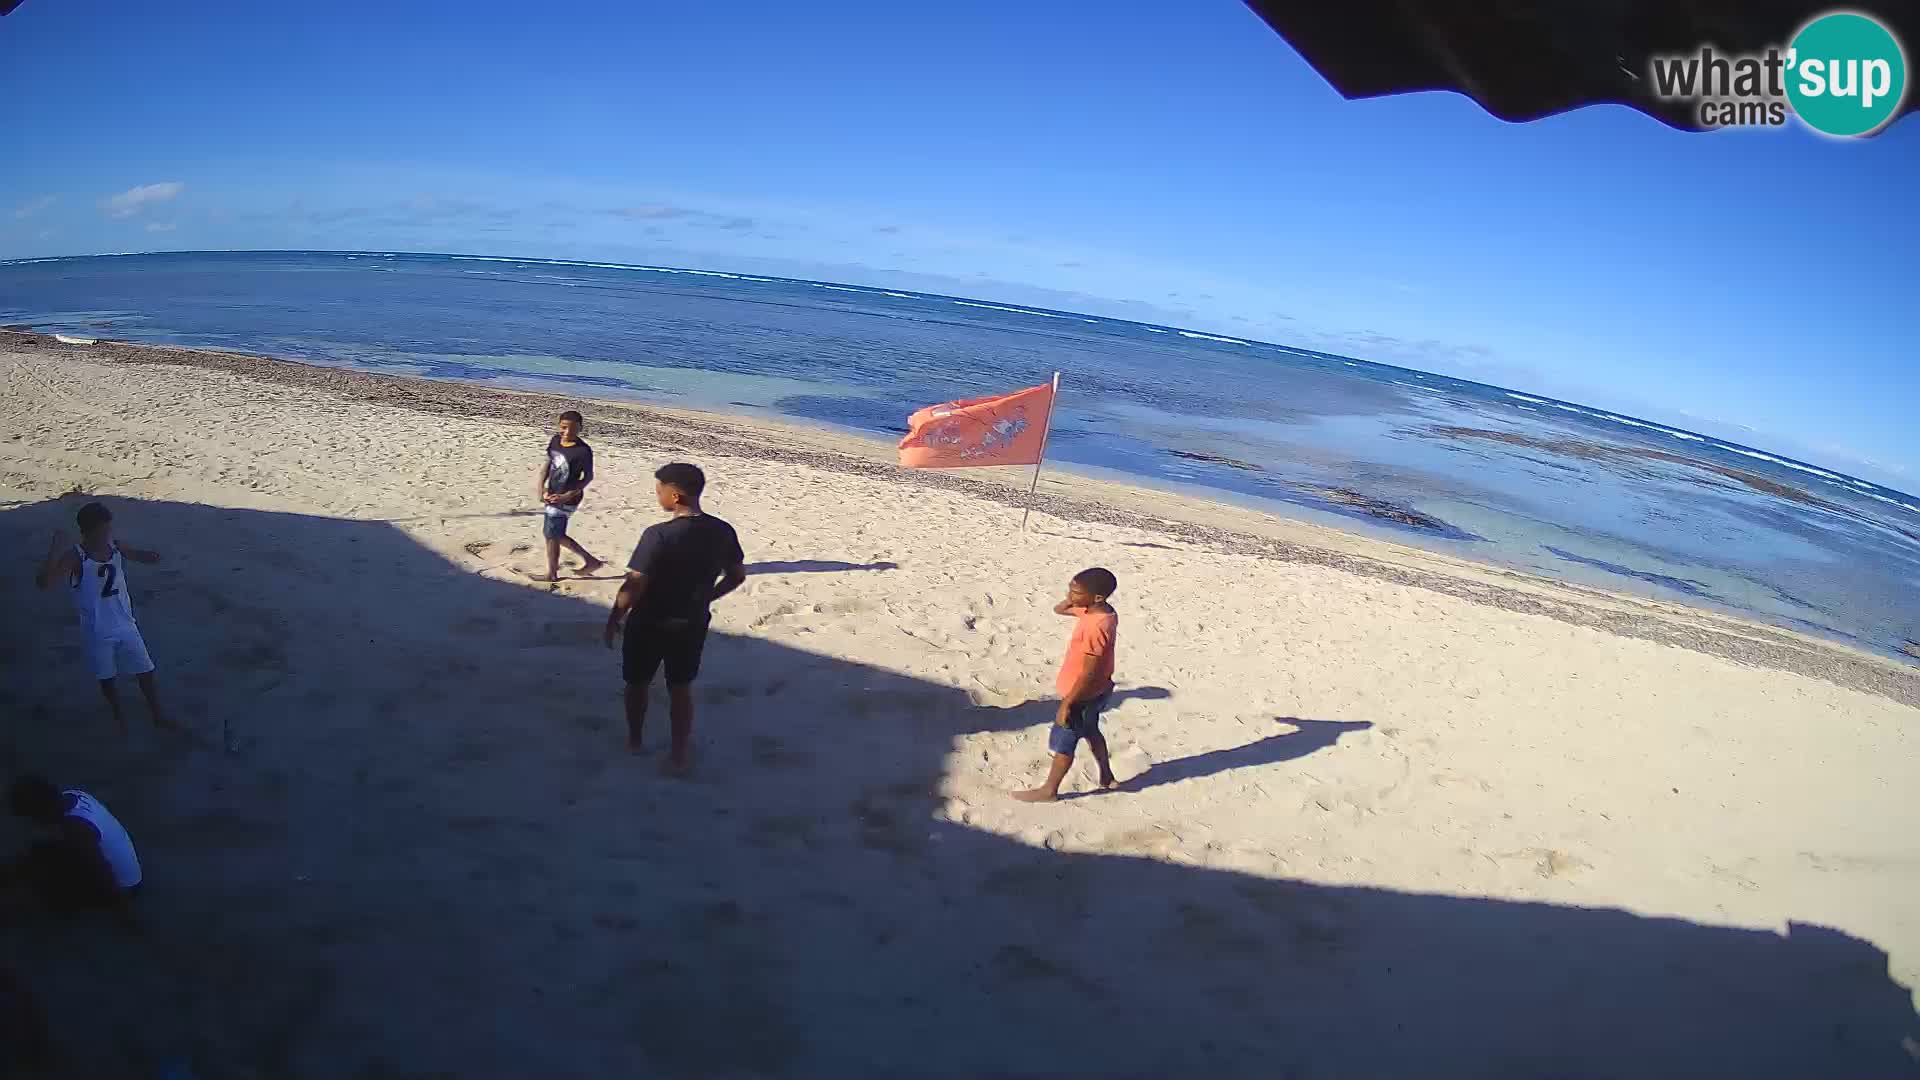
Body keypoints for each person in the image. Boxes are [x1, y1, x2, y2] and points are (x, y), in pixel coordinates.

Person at [603, 463, 746, 773]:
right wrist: (708, 597)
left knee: (637, 683)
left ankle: (635, 740)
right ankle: (679, 753)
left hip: (650, 621)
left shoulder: (658, 535)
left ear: (676, 495)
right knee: (680, 687)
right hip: (692, 621)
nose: (658, 497)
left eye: (659, 491)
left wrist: (615, 615)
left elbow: (635, 583)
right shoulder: (722, 530)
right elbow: (736, 576)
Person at [33, 501, 172, 737]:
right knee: (107, 677)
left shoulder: (114, 547)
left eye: (109, 528)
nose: (108, 533)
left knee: (146, 670)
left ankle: (157, 714)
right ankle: (118, 714)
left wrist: (150, 556)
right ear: (88, 531)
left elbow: (136, 554)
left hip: (125, 623)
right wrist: (55, 548)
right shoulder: (76, 557)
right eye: (103, 530)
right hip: (97, 629)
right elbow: (44, 583)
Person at [1014, 568, 1121, 802]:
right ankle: (1106, 775)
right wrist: (1073, 598)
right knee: (1092, 731)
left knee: (1065, 743)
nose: (1070, 595)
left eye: (1076, 592)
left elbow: (1089, 672)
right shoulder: (1101, 612)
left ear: (1097, 597)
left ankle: (1049, 790)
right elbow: (1059, 609)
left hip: (1081, 694)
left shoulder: (1095, 626)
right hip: (1099, 690)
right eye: (1070, 589)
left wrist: (1067, 703)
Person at [1, 775, 141, 922]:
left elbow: (102, 872)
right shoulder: (73, 795)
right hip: (101, 861)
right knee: (38, 853)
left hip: (122, 888)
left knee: (38, 889)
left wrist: (124, 911)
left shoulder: (77, 830)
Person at [535, 410, 605, 582]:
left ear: (580, 428)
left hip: (569, 498)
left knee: (552, 533)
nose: (567, 433)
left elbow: (588, 477)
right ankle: (591, 561)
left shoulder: (583, 451)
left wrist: (567, 496)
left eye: (572, 429)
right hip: (551, 494)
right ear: (559, 425)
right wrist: (540, 488)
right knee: (552, 533)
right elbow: (547, 465)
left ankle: (552, 574)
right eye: (564, 428)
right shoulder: (555, 441)